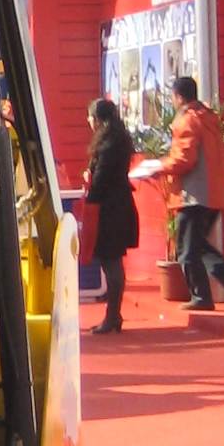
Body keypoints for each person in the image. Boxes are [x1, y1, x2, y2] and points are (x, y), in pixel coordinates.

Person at [166, 75, 224, 308]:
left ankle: (201, 295)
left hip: (192, 194)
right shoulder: (208, 118)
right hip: (213, 193)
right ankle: (223, 273)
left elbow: (184, 159)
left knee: (186, 250)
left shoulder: (187, 121)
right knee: (195, 244)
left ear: (178, 97)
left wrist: (159, 166)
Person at [84, 95, 139, 333]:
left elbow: (101, 180)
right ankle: (113, 315)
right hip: (120, 205)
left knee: (110, 260)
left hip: (110, 210)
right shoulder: (119, 139)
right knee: (113, 260)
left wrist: (89, 184)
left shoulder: (108, 144)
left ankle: (113, 316)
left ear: (97, 119)